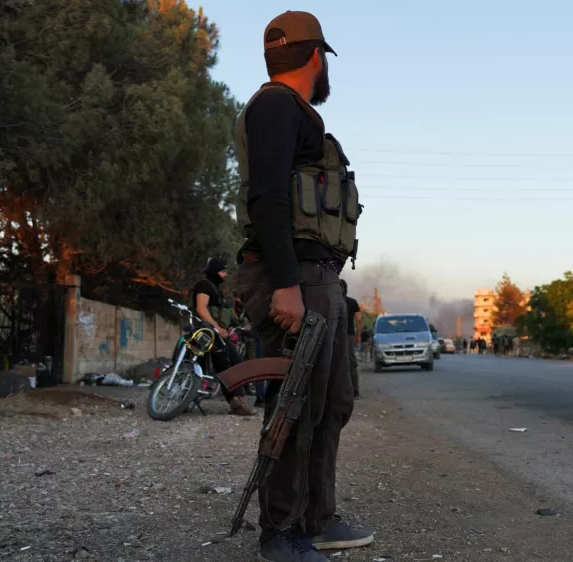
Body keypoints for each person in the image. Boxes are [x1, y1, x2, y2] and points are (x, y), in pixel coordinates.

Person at [231, 11, 372, 562]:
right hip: (293, 276)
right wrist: (286, 285)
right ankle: (280, 533)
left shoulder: (291, 112)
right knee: (296, 403)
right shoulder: (274, 106)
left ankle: (317, 517)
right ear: (317, 57)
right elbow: (266, 198)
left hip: (318, 277)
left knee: (331, 401)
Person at [191, 257, 254, 416]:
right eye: (222, 271)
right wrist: (218, 329)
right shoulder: (204, 285)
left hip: (219, 333)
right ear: (214, 271)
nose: (225, 275)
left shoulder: (216, 290)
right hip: (208, 332)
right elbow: (201, 309)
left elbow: (222, 313)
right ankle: (235, 401)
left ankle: (238, 399)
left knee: (237, 363)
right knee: (224, 365)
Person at [340, 280, 362, 399]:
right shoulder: (352, 302)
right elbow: (358, 320)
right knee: (351, 362)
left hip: (334, 335)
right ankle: (355, 391)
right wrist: (358, 336)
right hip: (349, 335)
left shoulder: (333, 301)